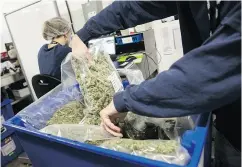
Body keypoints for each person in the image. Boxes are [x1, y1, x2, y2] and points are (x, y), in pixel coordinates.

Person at [74, 1, 241, 167]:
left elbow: (211, 70)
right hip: (224, 120)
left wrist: (125, 100)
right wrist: (84, 34)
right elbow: (137, 6)